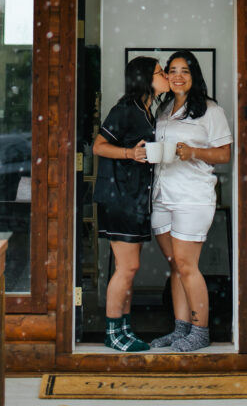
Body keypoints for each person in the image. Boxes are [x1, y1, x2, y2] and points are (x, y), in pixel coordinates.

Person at [150, 50, 233, 352]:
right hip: (161, 195)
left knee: (187, 265)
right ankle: (180, 329)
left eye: (185, 70)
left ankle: (200, 331)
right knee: (175, 265)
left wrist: (193, 152)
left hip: (192, 197)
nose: (177, 76)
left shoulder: (210, 110)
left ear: (194, 75)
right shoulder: (163, 109)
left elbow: (224, 154)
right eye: (172, 70)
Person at [92, 55, 170, 352]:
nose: (165, 77)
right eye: (160, 72)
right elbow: (99, 146)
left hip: (136, 198)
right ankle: (112, 333)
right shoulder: (124, 110)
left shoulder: (149, 111)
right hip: (119, 198)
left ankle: (124, 328)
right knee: (128, 267)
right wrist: (129, 154)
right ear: (144, 78)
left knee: (128, 269)